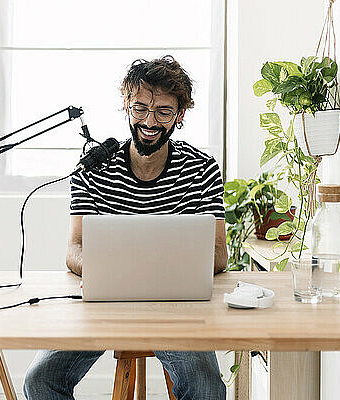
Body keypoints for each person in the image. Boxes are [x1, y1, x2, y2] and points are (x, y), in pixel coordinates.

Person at [24, 55, 227, 400]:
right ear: (126, 106)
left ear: (179, 116)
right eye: (140, 108)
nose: (150, 120)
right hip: (103, 307)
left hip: (175, 311)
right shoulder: (93, 168)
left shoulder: (203, 169)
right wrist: (114, 275)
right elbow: (75, 248)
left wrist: (152, 276)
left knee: (207, 388)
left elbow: (219, 254)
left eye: (163, 111)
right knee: (40, 381)